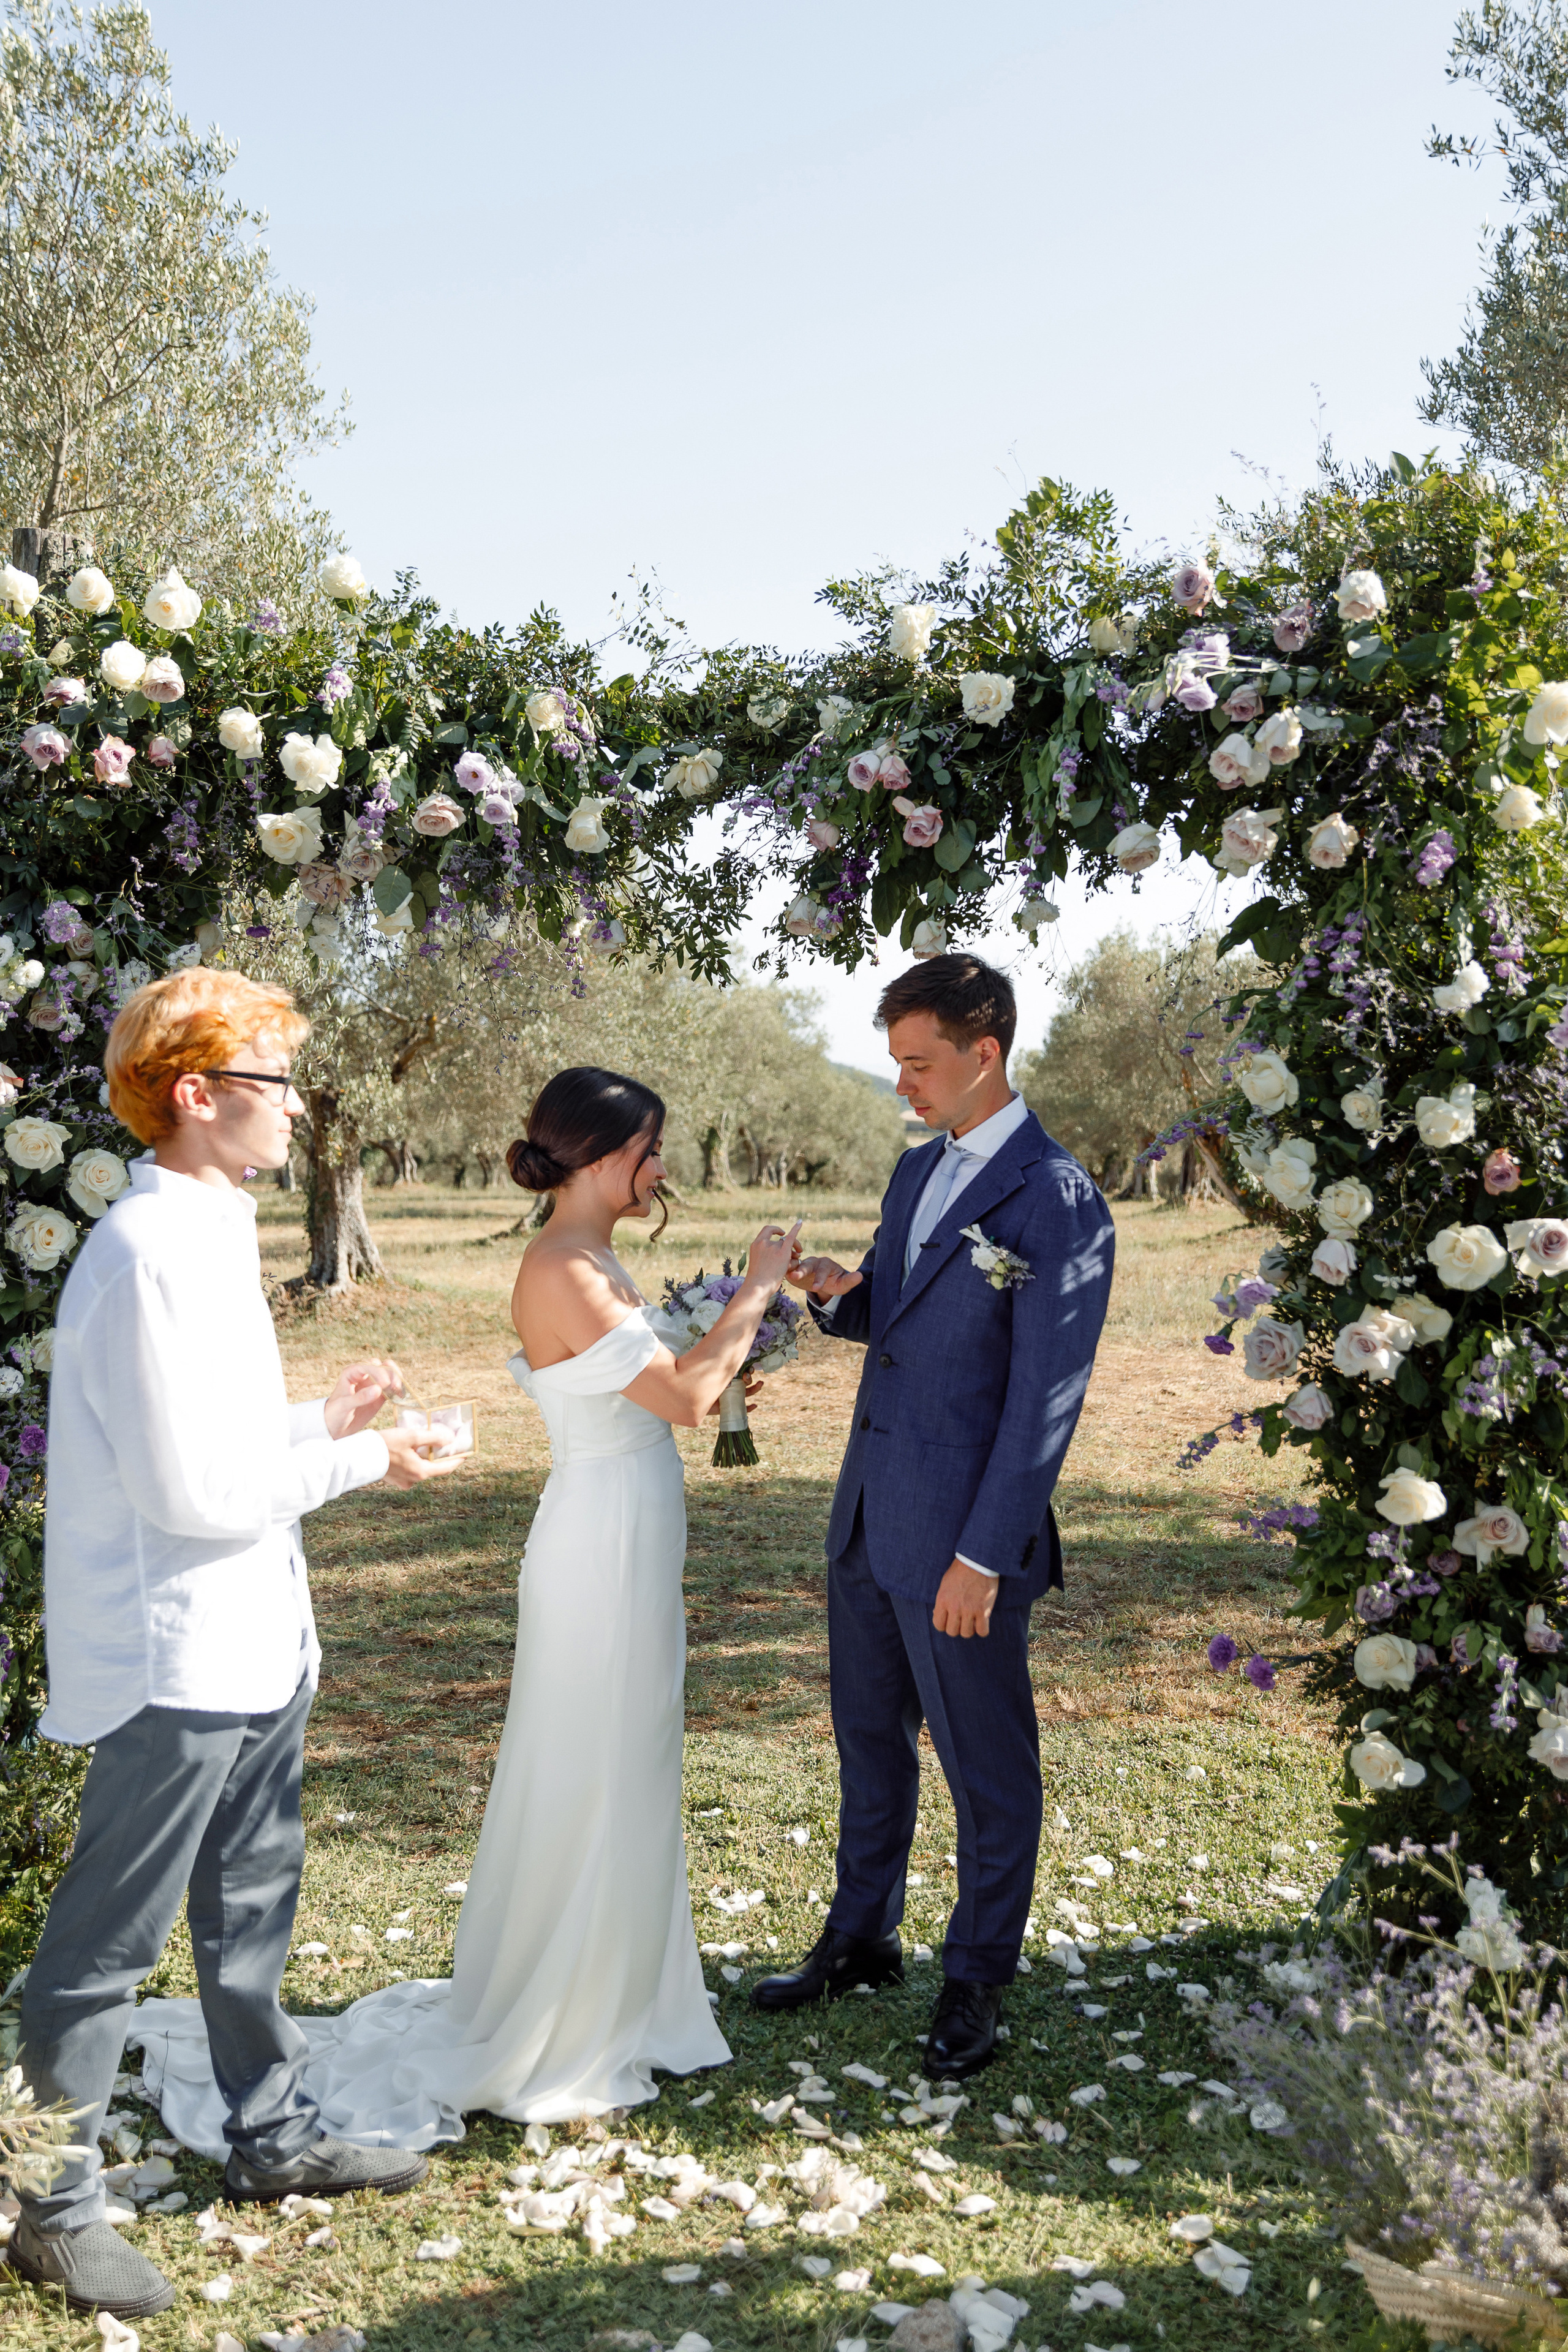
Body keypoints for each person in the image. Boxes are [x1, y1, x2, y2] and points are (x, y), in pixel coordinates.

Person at [126, 1070, 798, 2182]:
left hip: (625, 1524)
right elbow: (679, 1397)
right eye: (651, 1149)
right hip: (600, 1543)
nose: (662, 1168)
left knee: (624, 1759)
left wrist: (723, 1358)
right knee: (596, 1759)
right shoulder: (564, 1266)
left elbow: (658, 1386)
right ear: (596, 1155)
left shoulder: (593, 1258)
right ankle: (568, 2012)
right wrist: (759, 1291)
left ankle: (618, 1986)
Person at [10, 969, 461, 2323]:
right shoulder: (150, 1250)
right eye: (273, 1083)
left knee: (250, 1911)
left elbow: (216, 1446)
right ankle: (52, 2205)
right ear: (197, 1096)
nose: (296, 1108)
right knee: (106, 1943)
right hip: (176, 1657)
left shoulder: (207, 1231)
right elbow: (188, 1498)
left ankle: (270, 2138)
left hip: (254, 1639)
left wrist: (320, 1421)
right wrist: (370, 1458)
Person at [755, 953, 1114, 2078]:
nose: (903, 1085)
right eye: (895, 1064)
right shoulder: (917, 1176)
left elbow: (1040, 1408)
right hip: (867, 1518)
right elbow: (898, 1321)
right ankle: (862, 1938)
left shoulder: (1059, 1201)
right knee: (870, 1740)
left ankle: (977, 1977)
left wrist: (983, 1556)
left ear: (985, 1053)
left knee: (986, 1767)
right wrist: (836, 1293)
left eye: (920, 1065)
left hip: (960, 1541)